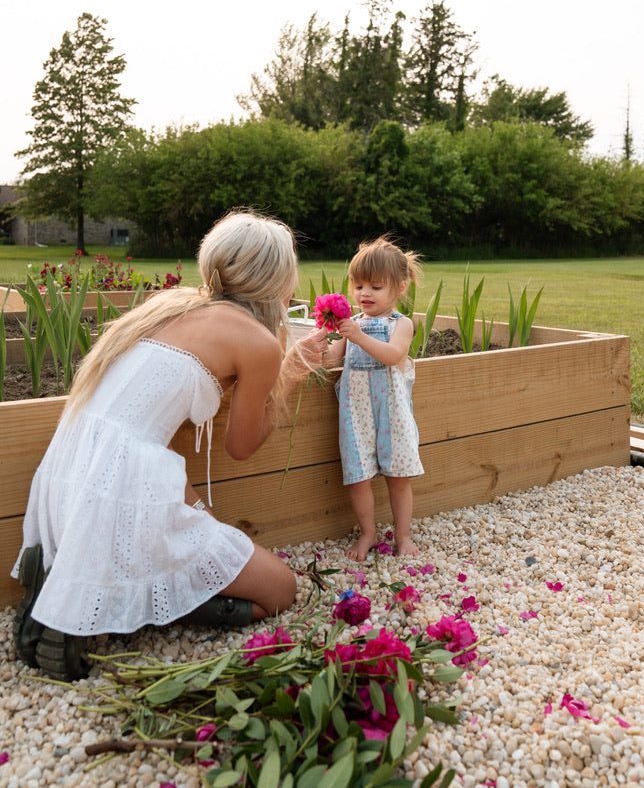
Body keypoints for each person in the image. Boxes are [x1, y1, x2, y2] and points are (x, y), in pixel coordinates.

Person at [12, 209, 329, 681]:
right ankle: (83, 610)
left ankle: (56, 589)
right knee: (281, 590)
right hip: (125, 485)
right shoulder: (258, 342)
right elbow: (242, 446)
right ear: (280, 278)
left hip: (73, 470)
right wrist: (290, 373)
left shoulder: (175, 306)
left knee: (194, 518)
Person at [324, 236, 424, 562]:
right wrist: (321, 337)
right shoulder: (352, 326)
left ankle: (403, 535)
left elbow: (394, 356)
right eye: (359, 286)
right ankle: (368, 532)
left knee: (398, 478)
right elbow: (330, 360)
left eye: (376, 287)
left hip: (391, 414)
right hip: (355, 414)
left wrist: (357, 335)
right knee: (358, 477)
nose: (364, 293)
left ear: (400, 288)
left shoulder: (401, 324)